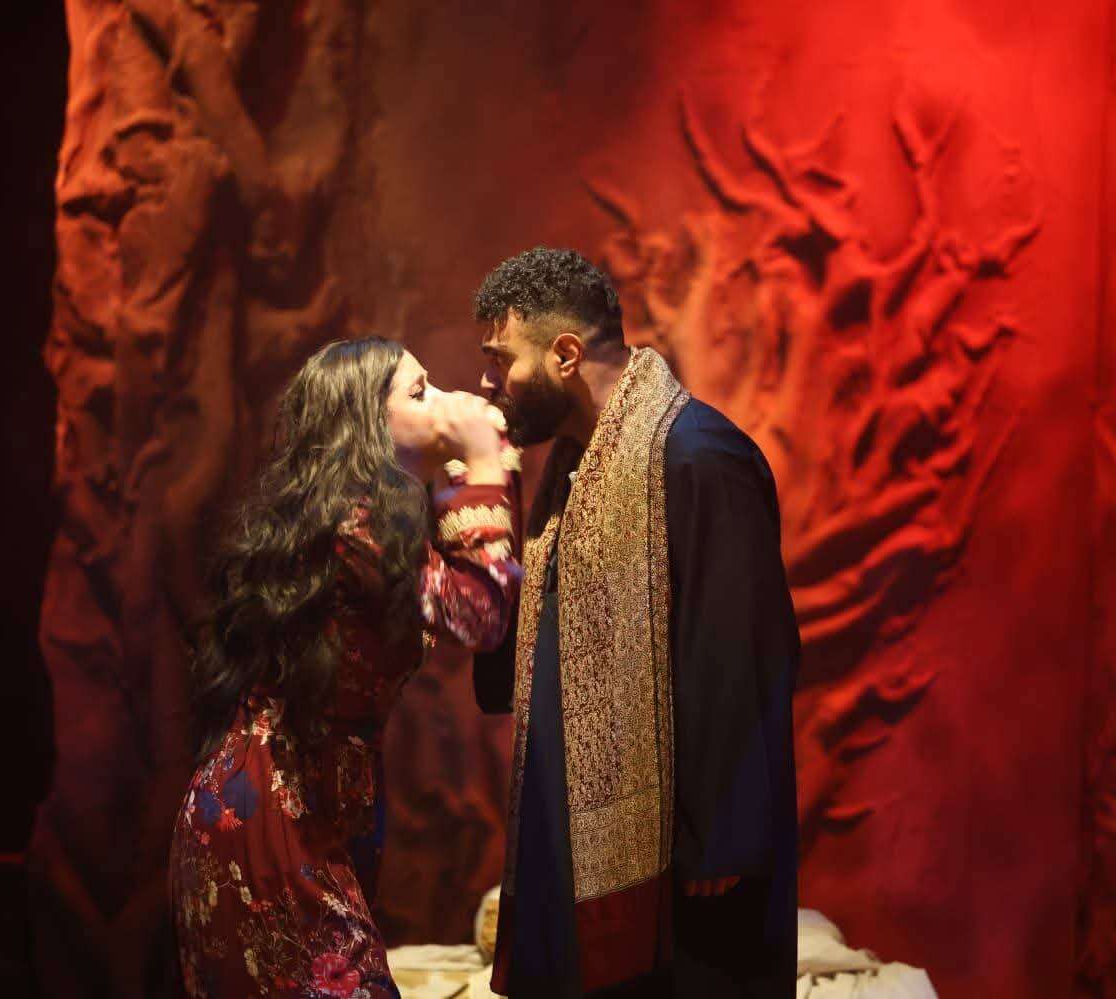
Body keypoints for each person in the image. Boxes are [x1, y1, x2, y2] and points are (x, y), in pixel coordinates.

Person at [471, 248, 800, 997]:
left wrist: (723, 836)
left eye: (501, 358)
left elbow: (741, 655)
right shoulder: (569, 465)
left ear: (565, 355)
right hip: (567, 834)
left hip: (685, 869)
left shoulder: (698, 457)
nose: (488, 381)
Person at [170, 337, 521, 999]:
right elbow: (480, 617)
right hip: (271, 809)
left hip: (307, 802)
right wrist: (480, 461)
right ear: (366, 423)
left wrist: (473, 472)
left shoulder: (375, 520)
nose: (442, 400)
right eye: (419, 391)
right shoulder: (354, 523)